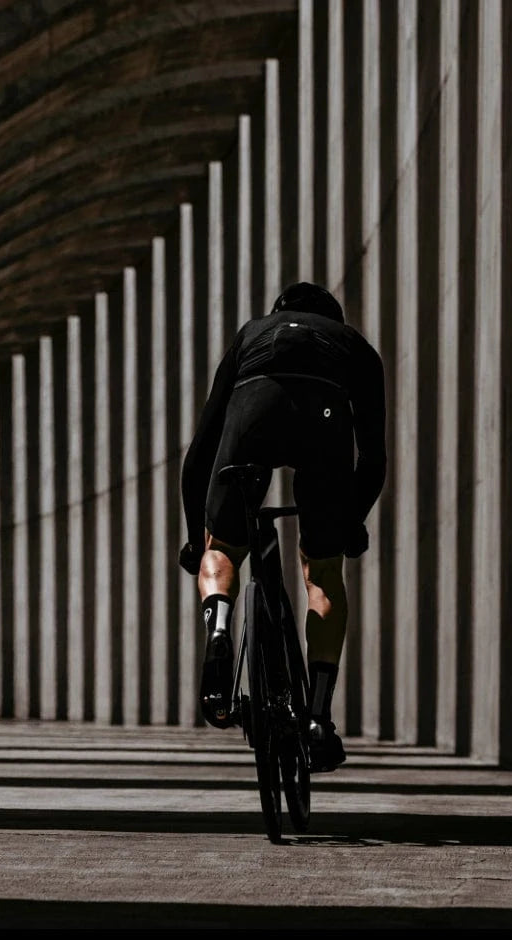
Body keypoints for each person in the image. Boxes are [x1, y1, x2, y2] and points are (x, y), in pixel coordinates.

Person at [177, 282, 385, 772]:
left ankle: (220, 628)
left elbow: (202, 448)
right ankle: (317, 714)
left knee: (223, 547)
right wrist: (352, 522)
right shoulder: (354, 344)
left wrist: (195, 535)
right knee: (323, 572)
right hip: (324, 422)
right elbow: (373, 457)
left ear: (278, 313)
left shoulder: (252, 335)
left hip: (254, 412)